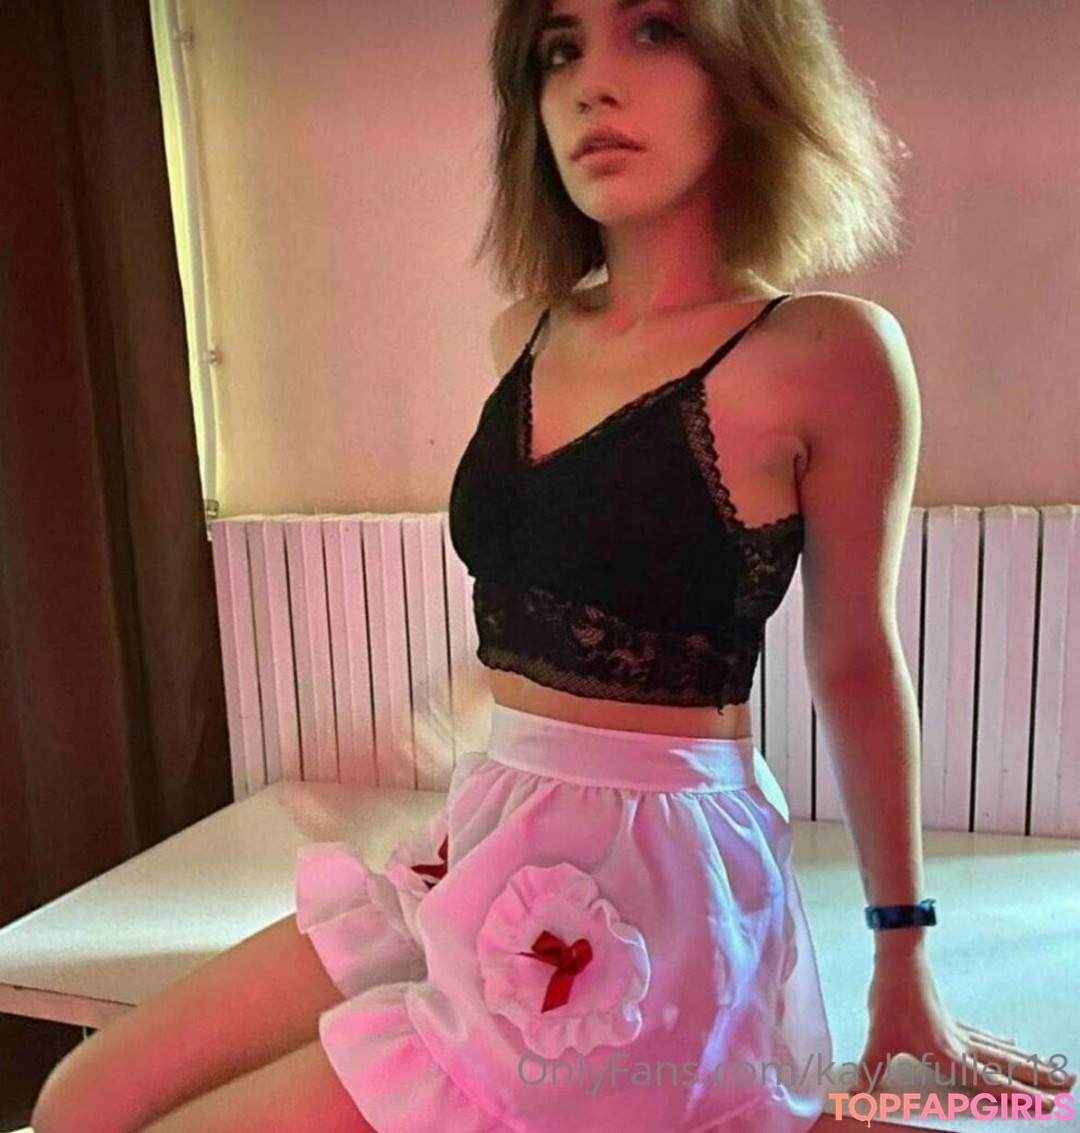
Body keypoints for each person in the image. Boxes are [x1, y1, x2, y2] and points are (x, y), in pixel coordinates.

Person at [32, 1, 1074, 1131]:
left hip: (646, 881)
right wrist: (439, 718)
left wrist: (902, 956)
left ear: (750, 70)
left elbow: (857, 660)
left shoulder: (827, 352)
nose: (590, 84)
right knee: (80, 1097)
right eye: (559, 49)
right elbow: (564, 594)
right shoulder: (526, 334)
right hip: (487, 830)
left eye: (655, 30)